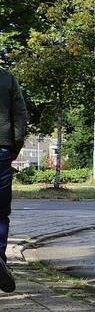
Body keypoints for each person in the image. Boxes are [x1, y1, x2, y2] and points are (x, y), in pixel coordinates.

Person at [0, 66, 27, 292]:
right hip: (2, 148)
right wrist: (13, 146)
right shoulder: (7, 79)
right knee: (0, 210)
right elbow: (20, 115)